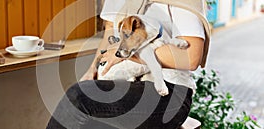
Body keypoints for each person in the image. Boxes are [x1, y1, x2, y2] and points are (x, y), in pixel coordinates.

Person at [46, 0, 210, 129]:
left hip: (171, 93)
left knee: (79, 96)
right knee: (84, 112)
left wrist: (129, 54)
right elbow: (110, 35)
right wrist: (92, 71)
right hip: (127, 80)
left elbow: (191, 56)